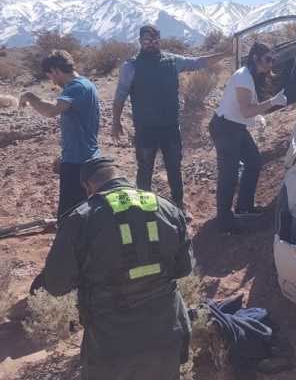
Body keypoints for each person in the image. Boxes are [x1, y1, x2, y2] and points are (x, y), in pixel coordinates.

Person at [30, 157, 193, 379]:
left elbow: (56, 285)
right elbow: (184, 269)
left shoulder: (81, 218)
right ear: (124, 177)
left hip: (111, 343)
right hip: (165, 333)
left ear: (89, 186)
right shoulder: (167, 208)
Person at [112, 25, 224, 214]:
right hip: (145, 129)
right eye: (147, 40)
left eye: (155, 40)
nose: (151, 44)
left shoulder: (172, 61)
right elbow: (120, 96)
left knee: (174, 167)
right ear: (140, 41)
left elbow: (197, 62)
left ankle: (178, 206)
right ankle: (144, 210)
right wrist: (116, 122)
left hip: (170, 127)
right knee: (145, 169)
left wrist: (223, 54)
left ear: (159, 40)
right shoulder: (130, 66)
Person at [209, 43, 288, 234]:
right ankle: (224, 221)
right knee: (229, 174)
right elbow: (246, 111)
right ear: (256, 58)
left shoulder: (252, 76)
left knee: (253, 161)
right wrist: (272, 103)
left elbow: (247, 108)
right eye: (268, 59)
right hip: (226, 127)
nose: (271, 63)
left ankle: (244, 206)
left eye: (273, 60)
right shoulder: (244, 76)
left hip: (236, 126)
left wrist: (257, 115)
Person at [20, 50, 102, 218]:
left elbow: (52, 111)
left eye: (51, 75)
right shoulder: (86, 84)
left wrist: (30, 97)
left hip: (77, 161)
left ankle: (70, 243)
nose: (53, 80)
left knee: (69, 217)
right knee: (85, 213)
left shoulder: (75, 87)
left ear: (56, 70)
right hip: (86, 157)